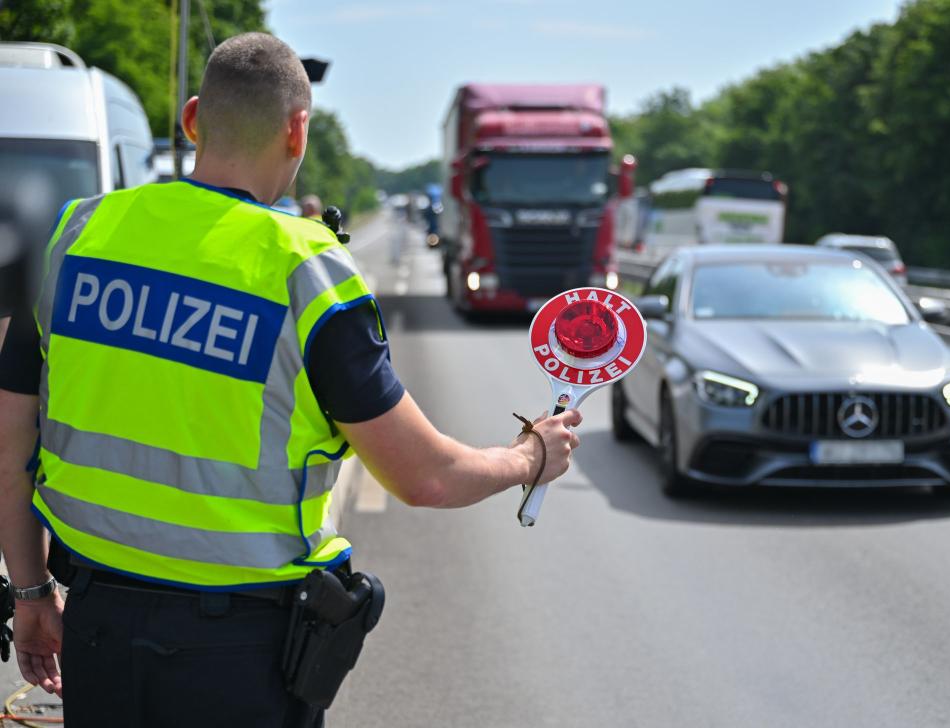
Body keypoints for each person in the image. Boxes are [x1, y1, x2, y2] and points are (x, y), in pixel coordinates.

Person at [0, 32, 581, 727]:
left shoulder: (79, 235)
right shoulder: (309, 272)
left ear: (192, 119)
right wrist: (529, 457)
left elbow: (8, 452)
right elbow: (424, 478)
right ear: (297, 129)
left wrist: (31, 593)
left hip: (98, 631)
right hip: (239, 655)